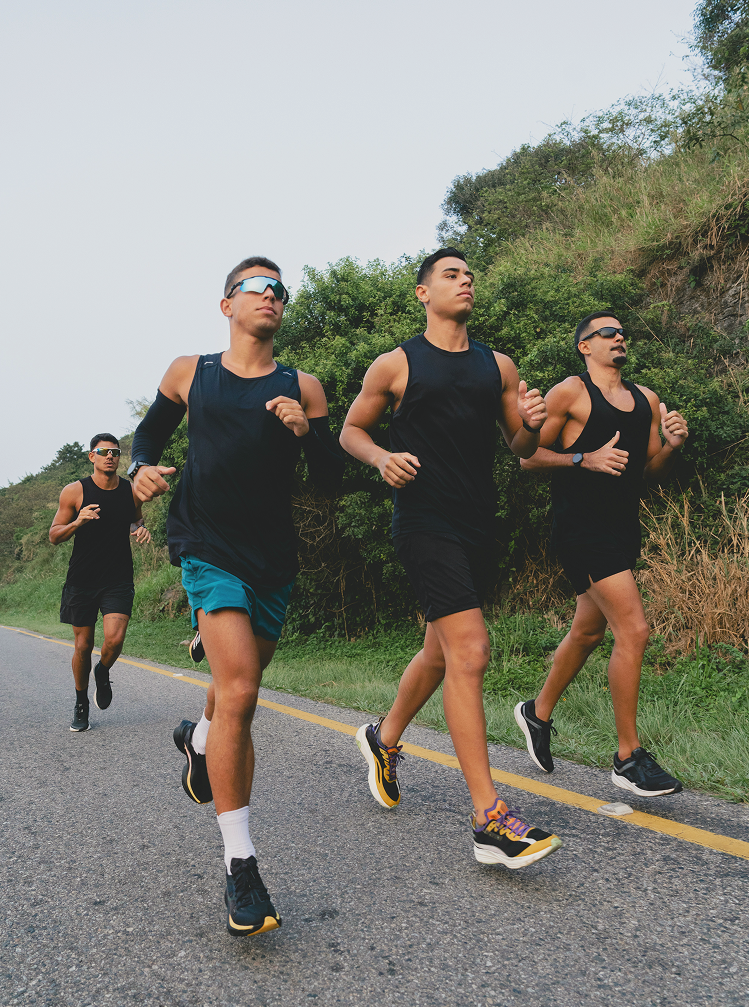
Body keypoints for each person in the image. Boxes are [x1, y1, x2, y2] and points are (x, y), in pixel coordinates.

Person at [130, 256, 343, 937]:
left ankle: (198, 738)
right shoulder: (191, 371)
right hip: (206, 544)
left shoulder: (301, 385)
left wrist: (308, 431)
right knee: (243, 690)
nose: (271, 297)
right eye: (257, 287)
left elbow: (334, 476)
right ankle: (240, 864)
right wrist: (138, 470)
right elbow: (148, 436)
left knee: (229, 701)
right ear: (226, 305)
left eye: (279, 290)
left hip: (273, 558)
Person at [339, 248, 562, 870]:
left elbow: (518, 445)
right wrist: (381, 459)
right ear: (423, 293)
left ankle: (382, 740)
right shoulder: (397, 364)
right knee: (470, 650)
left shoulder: (498, 366)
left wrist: (534, 423)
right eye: (450, 275)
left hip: (476, 526)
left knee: (441, 649)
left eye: (469, 275)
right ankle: (489, 818)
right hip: (424, 522)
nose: (464, 282)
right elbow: (350, 430)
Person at [514, 311, 689, 797]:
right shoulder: (570, 391)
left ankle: (537, 711)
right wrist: (582, 458)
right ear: (585, 347)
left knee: (589, 630)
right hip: (581, 531)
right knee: (633, 628)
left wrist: (672, 445)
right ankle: (627, 756)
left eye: (621, 333)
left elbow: (651, 471)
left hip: (621, 531)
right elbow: (527, 455)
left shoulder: (646, 401)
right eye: (606, 333)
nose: (619, 338)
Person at [50, 434, 151, 733]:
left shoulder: (130, 492)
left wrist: (140, 529)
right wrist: (77, 522)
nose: (110, 456)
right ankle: (81, 702)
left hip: (117, 578)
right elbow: (55, 535)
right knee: (83, 646)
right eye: (103, 451)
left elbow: (135, 519)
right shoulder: (74, 492)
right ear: (91, 456)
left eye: (115, 452)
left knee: (115, 640)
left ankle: (103, 670)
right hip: (81, 581)